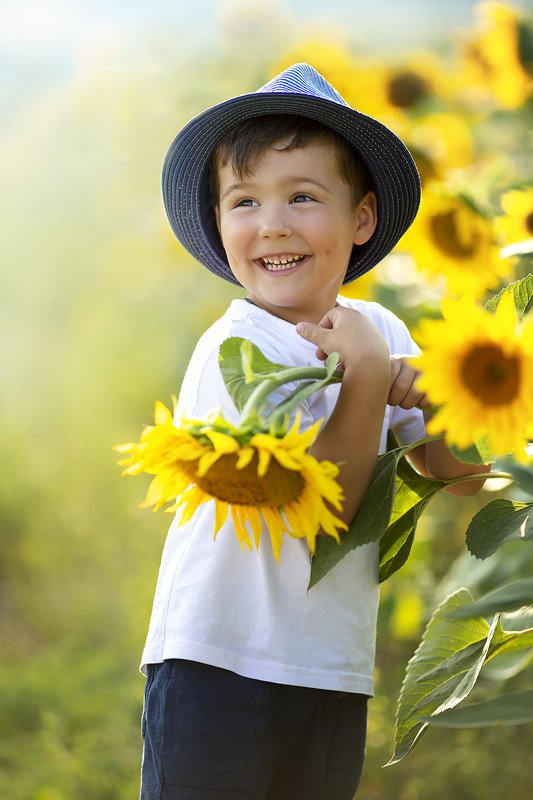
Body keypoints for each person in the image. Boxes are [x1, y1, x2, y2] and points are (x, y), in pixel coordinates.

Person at [139, 63, 489, 800]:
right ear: (218, 222)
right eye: (244, 201)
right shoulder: (239, 351)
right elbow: (320, 512)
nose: (271, 223)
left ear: (359, 219)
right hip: (217, 664)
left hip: (327, 668)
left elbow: (458, 476)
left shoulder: (380, 328)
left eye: (302, 196)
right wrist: (365, 375)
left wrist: (443, 403)